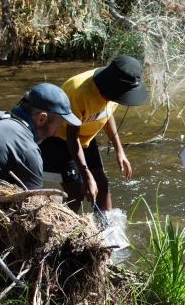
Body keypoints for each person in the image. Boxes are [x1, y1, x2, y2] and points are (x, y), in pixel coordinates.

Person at [40, 55, 148, 213]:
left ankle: (106, 232)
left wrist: (119, 149)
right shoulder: (79, 93)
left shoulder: (116, 89)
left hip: (85, 137)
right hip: (60, 138)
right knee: (76, 193)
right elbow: (72, 137)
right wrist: (85, 175)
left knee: (102, 184)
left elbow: (106, 112)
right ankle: (61, 228)